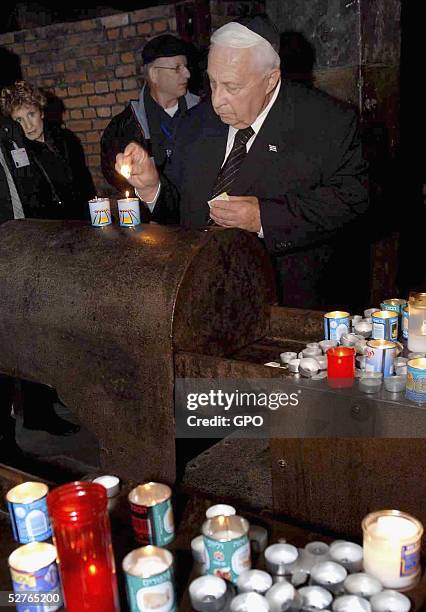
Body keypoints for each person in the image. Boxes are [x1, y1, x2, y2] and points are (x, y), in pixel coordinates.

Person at [115, 16, 368, 309]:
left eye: (232, 87)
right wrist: (153, 187)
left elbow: (353, 203)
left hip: (287, 305)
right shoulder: (195, 123)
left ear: (270, 79)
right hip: (203, 298)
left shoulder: (327, 122)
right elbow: (181, 213)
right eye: (212, 82)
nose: (217, 100)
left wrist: (265, 219)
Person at [0, 115, 80, 441]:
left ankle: (37, 413)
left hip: (27, 247)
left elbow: (30, 179)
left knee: (33, 336)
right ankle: (5, 441)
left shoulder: (8, 128)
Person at [101, 34, 200, 195]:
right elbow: (115, 175)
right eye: (177, 68)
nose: (187, 74)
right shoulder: (123, 127)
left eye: (186, 67)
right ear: (154, 74)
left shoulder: (205, 113)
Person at [1, 80, 95, 220]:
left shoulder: (67, 140)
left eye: (31, 114)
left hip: (80, 221)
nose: (28, 125)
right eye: (19, 120)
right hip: (46, 228)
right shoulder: (18, 154)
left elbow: (85, 184)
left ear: (41, 112)